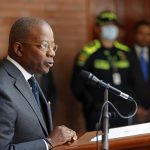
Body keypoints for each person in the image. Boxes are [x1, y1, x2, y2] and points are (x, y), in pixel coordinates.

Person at [0, 17, 77, 150]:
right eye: (44, 45)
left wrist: (60, 137)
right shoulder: (3, 87)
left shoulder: (29, 78)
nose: (52, 53)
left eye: (53, 47)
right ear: (19, 48)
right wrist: (48, 143)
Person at [71, 11, 134, 131]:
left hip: (123, 110)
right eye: (106, 25)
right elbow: (77, 84)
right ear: (97, 28)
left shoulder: (126, 52)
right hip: (98, 110)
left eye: (113, 25)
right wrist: (90, 103)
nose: (111, 28)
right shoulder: (87, 52)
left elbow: (135, 79)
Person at [130, 20, 150, 123]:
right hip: (134, 109)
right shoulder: (126, 54)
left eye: (148, 34)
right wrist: (136, 106)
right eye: (141, 33)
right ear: (135, 34)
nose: (144, 37)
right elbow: (125, 83)